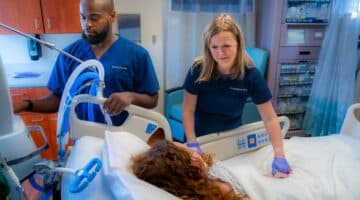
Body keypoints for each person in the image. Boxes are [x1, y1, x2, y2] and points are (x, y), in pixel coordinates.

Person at [13, 0, 159, 126]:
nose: (87, 24)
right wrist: (25, 105)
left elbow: (152, 99)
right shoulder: (68, 55)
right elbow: (58, 100)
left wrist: (131, 96)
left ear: (112, 16)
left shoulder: (137, 55)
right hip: (84, 137)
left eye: (94, 18)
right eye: (83, 17)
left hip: (123, 136)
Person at [182, 13, 291, 177]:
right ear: (208, 47)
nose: (220, 53)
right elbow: (188, 110)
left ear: (239, 44)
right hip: (199, 138)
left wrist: (279, 155)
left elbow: (270, 118)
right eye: (214, 47)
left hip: (231, 139)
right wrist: (192, 142)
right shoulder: (198, 70)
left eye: (226, 46)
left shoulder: (251, 75)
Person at [131, 139, 248, 200]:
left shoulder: (191, 187)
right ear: (188, 173)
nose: (195, 153)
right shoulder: (222, 189)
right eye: (190, 153)